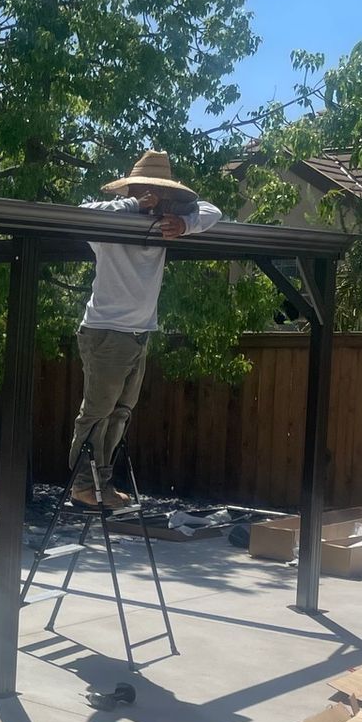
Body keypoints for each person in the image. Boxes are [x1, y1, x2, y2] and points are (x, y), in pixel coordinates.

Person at [70, 150, 221, 509]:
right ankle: (82, 485)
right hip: (106, 331)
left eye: (160, 192)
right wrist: (132, 206)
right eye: (147, 191)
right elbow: (82, 212)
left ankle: (102, 485)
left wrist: (185, 224)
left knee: (121, 412)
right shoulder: (110, 224)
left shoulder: (165, 224)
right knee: (98, 412)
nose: (155, 199)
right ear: (134, 191)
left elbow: (212, 211)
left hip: (138, 333)